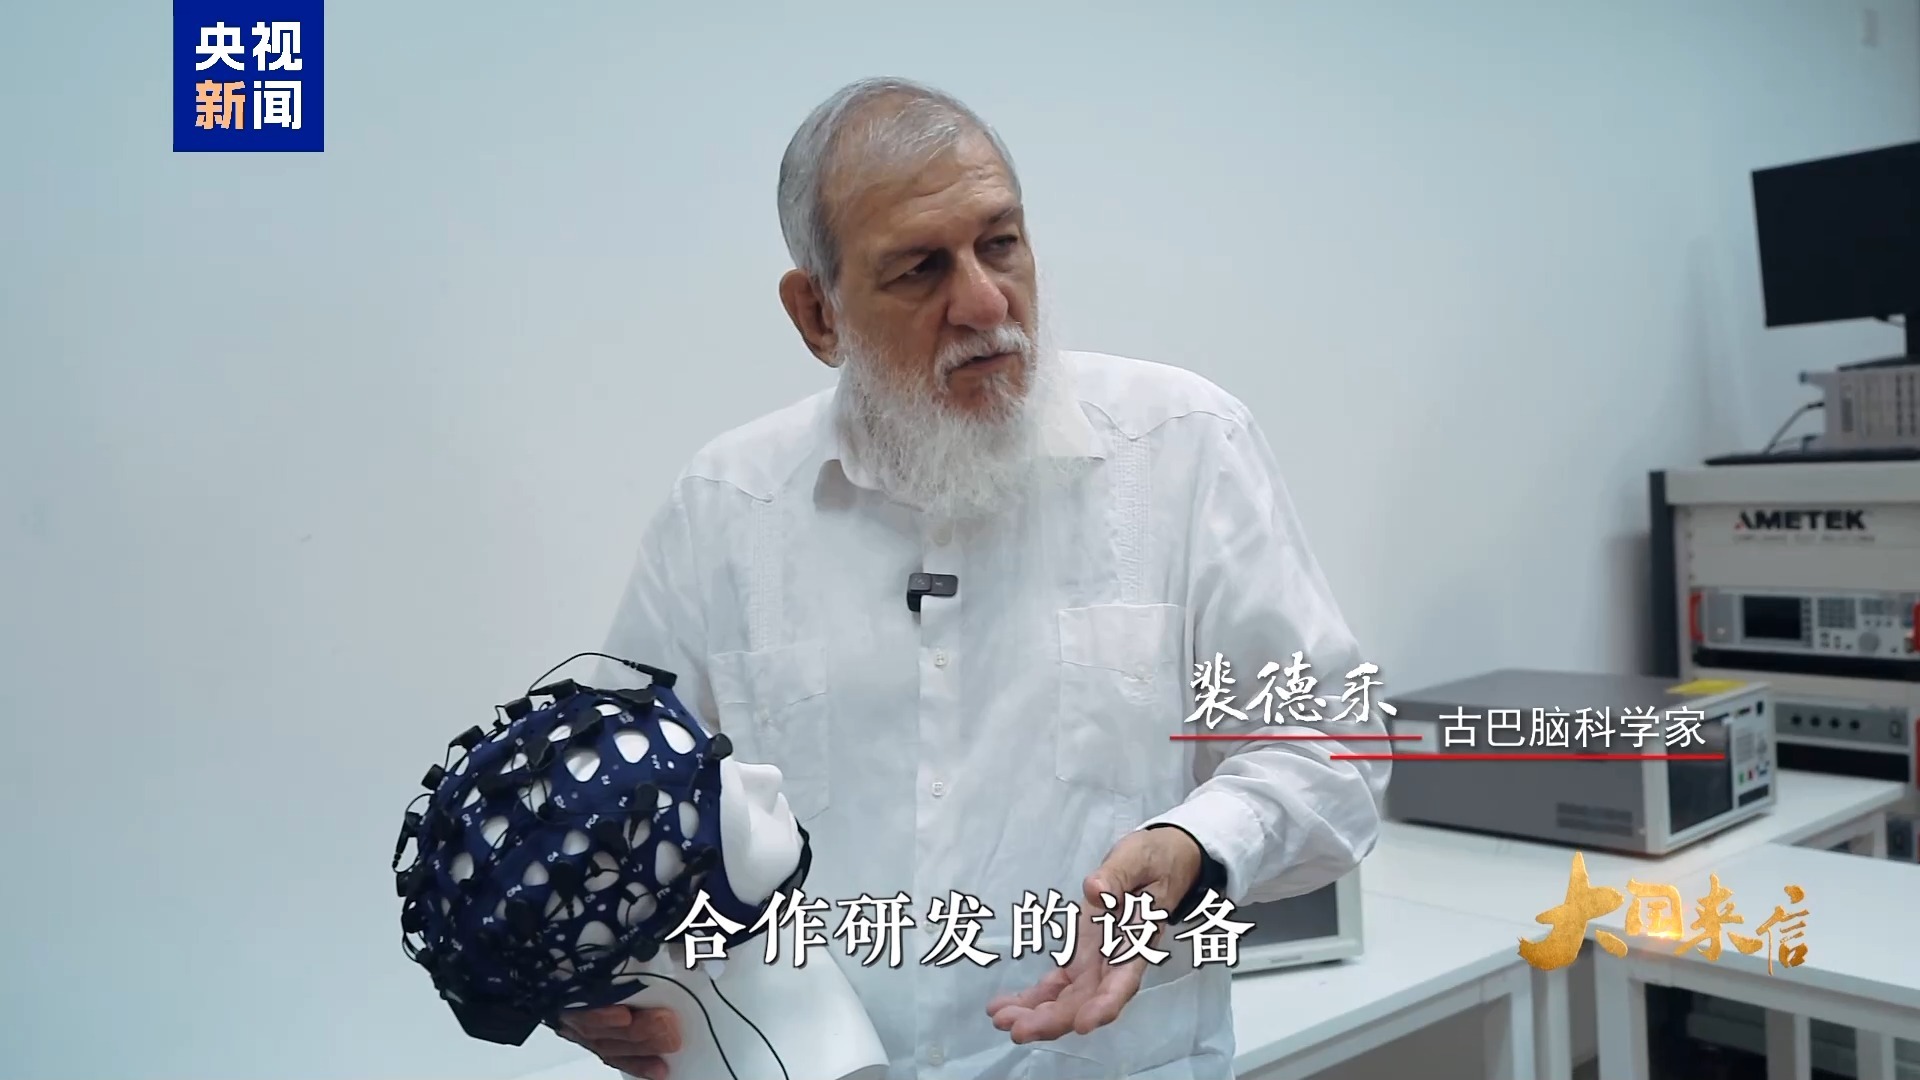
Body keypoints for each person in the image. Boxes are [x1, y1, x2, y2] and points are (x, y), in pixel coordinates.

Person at [559, 76, 1390, 1080]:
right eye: (919, 270)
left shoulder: (1184, 450)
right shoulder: (725, 510)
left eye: (1000, 243)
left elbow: (1332, 750)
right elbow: (604, 818)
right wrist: (588, 980)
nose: (987, 303)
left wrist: (1194, 843)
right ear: (818, 314)